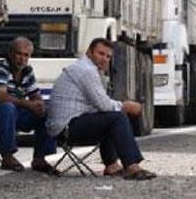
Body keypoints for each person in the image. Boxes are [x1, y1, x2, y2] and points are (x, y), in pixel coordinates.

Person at [46, 37, 156, 180]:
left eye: (108, 56)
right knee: (118, 117)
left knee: (109, 116)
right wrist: (126, 106)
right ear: (89, 53)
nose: (104, 59)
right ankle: (132, 166)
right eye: (101, 53)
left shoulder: (89, 70)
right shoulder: (86, 70)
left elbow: (100, 106)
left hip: (66, 126)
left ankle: (112, 166)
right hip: (66, 129)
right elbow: (104, 104)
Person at [0, 37, 58, 174]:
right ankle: (7, 156)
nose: (22, 58)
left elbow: (36, 97)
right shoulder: (1, 67)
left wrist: (39, 106)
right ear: (11, 53)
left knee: (47, 112)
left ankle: (39, 158)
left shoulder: (27, 72)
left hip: (16, 113)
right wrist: (29, 104)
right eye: (19, 54)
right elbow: (1, 97)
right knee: (7, 107)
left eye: (26, 55)